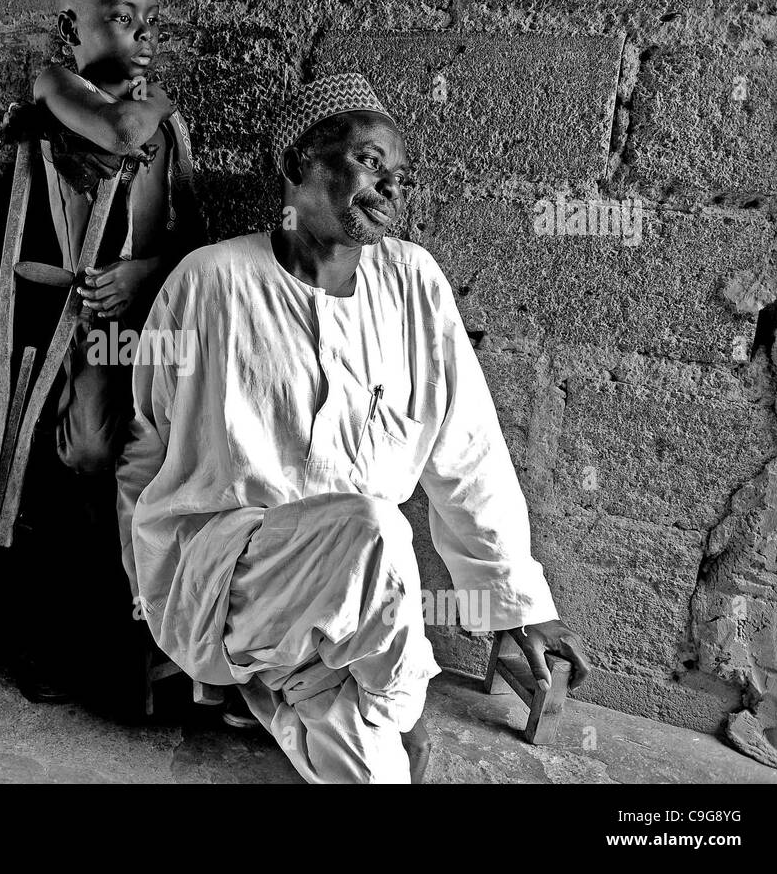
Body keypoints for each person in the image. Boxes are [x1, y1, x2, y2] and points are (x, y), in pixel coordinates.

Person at [116, 72, 593, 782]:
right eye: (370, 161)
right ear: (295, 166)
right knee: (373, 527)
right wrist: (151, 594)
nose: (389, 187)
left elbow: (468, 446)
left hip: (361, 613)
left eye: (399, 175)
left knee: (377, 774)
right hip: (234, 576)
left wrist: (515, 601)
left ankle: (300, 691)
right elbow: (145, 451)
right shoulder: (210, 281)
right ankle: (404, 708)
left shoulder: (413, 282)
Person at [0, 0, 205, 704]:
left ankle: (155, 635)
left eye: (149, 21)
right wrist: (160, 104)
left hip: (155, 323)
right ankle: (80, 632)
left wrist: (144, 272)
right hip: (81, 322)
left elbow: (192, 234)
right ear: (69, 25)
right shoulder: (56, 88)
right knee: (87, 448)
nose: (141, 36)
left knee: (161, 459)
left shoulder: (166, 129)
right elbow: (119, 131)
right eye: (121, 19)